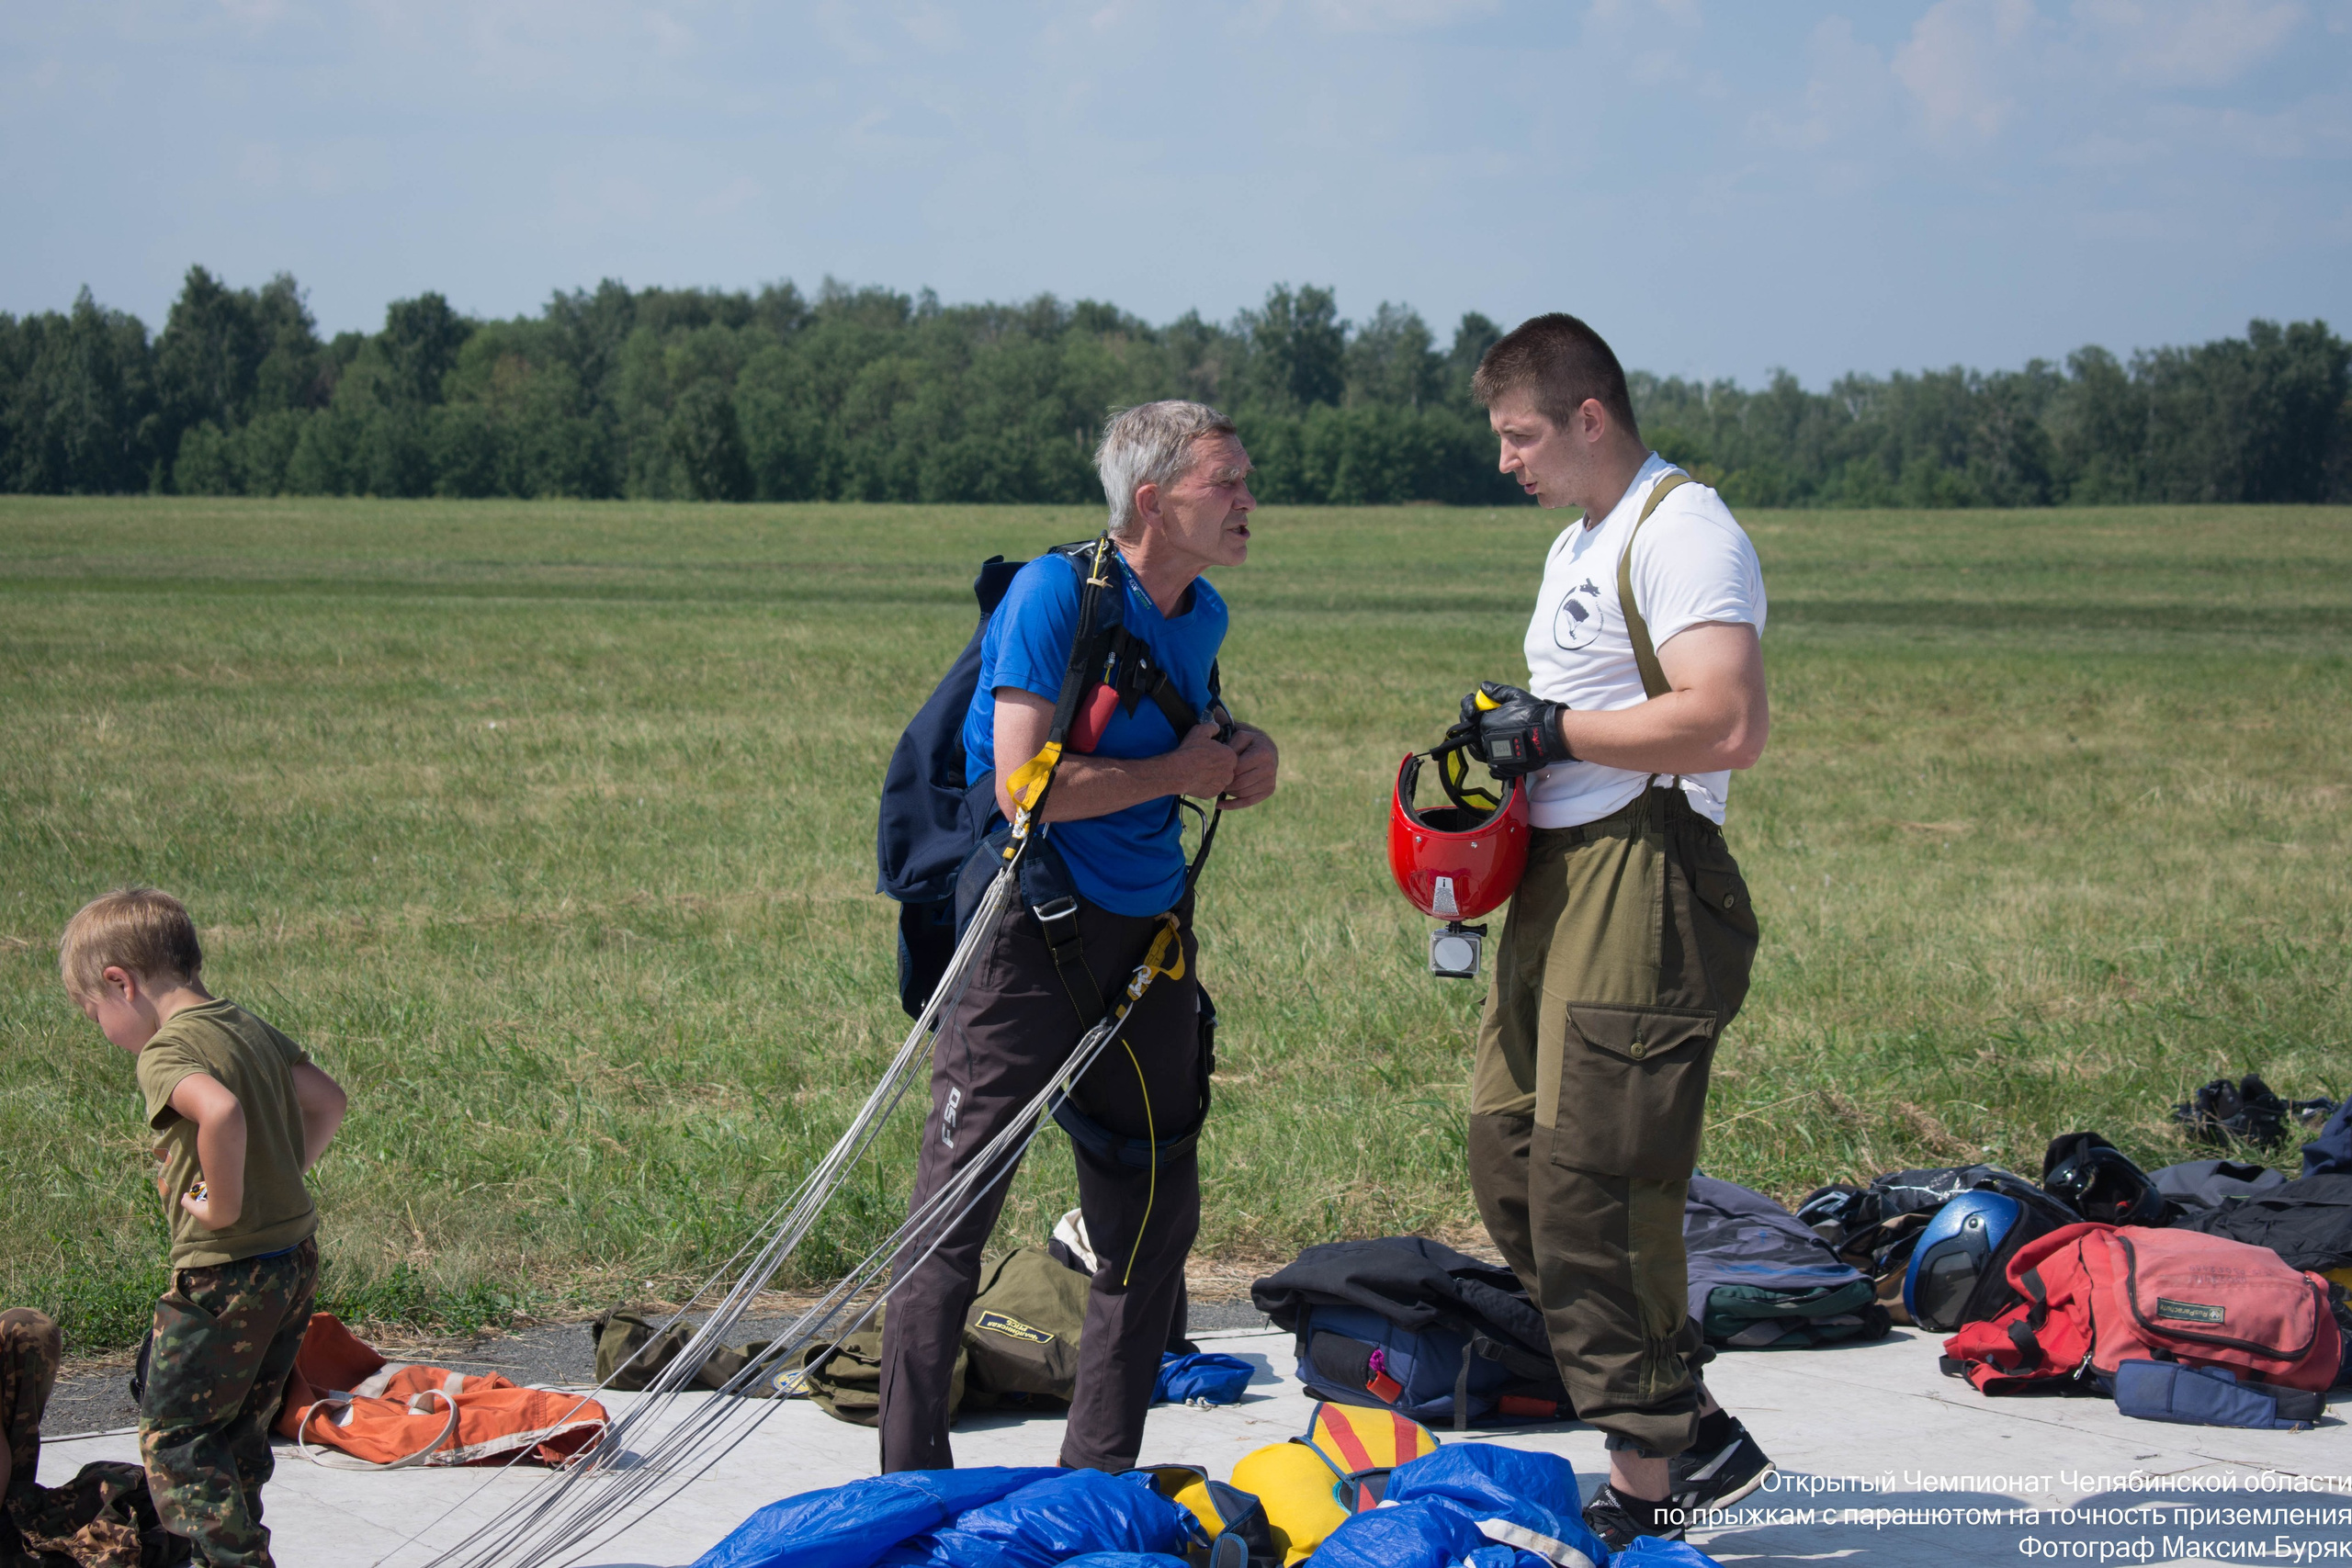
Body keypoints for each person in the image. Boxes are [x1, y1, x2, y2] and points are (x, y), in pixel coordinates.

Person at [876, 400, 1279, 1473]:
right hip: (1029, 930)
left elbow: (1182, 742)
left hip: (1148, 943)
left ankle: (1094, 1481)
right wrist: (1180, 775)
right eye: (1224, 483)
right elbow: (1021, 786)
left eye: (1247, 480)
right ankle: (907, 1479)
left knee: (1151, 1218)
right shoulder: (1052, 595)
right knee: (954, 1210)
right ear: (1152, 501)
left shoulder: (1202, 614)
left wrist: (1241, 756)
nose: (1248, 500)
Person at [1450, 314, 1774, 1548]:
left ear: (1590, 417)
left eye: (1520, 435)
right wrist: (1500, 752)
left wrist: (1557, 735)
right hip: (1560, 870)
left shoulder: (1679, 528)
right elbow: (1583, 705)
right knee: (1510, 1150)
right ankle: (1688, 1421)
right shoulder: (1581, 540)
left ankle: (1654, 1485)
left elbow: (1725, 718)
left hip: (1645, 867)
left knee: (1597, 1179)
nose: (1506, 461)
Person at [60, 888, 348, 1568]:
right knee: (239, 1434)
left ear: (119, 982)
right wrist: (270, 1174)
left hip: (225, 1274)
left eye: (94, 1012)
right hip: (292, 1260)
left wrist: (222, 1203)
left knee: (179, 1438)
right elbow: (327, 1100)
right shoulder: (242, 1024)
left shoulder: (165, 1050)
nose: (101, 1027)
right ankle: (232, 1547)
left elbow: (218, 1112)